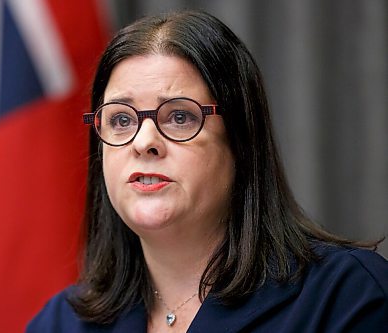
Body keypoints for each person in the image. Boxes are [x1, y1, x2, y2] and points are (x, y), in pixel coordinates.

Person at [27, 10, 387, 332]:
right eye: (121, 119)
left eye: (180, 116)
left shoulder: (346, 296)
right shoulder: (61, 323)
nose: (143, 142)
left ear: (240, 139)